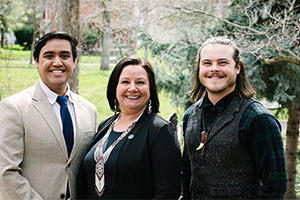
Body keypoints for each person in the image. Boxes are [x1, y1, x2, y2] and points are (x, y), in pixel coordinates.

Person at [181, 36, 287, 199]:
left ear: (237, 68)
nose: (214, 68)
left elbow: (275, 186)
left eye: (223, 63)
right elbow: (187, 174)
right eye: (207, 63)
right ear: (199, 68)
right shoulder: (190, 115)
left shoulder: (258, 119)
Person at [0, 31, 98, 199]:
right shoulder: (14, 108)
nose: (57, 62)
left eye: (65, 55)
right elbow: (6, 173)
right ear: (37, 62)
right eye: (49, 56)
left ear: (74, 62)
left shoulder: (90, 110)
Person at [76, 55, 181, 199]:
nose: (132, 88)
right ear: (115, 88)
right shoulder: (105, 126)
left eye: (140, 82)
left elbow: (168, 192)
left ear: (150, 89)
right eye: (125, 82)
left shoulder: (160, 130)